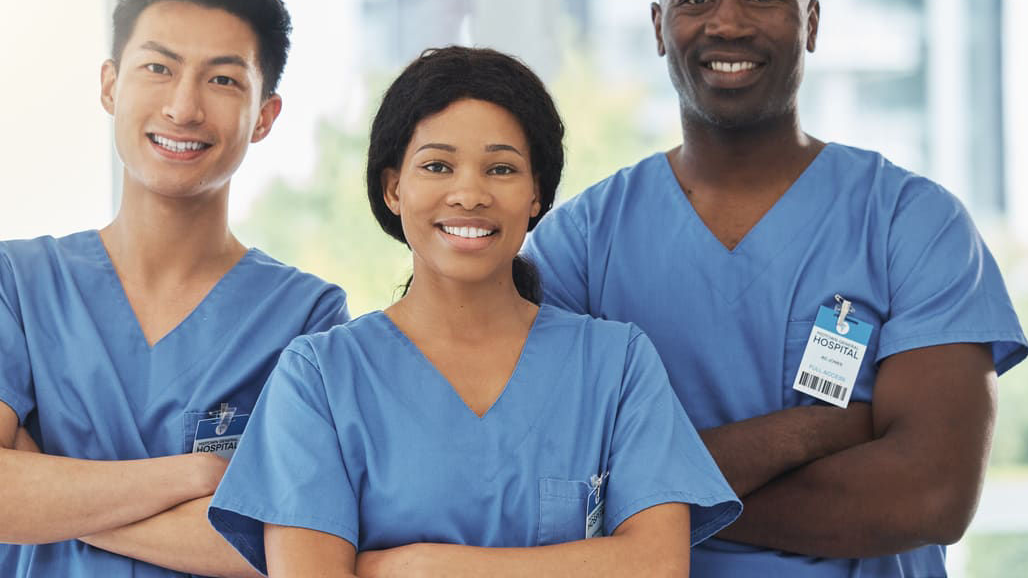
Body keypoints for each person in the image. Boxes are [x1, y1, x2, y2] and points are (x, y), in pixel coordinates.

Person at [523, 0, 1028, 577]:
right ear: (657, 27)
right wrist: (813, 432)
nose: (727, 22)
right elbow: (542, 482)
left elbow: (931, 494)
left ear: (810, 21)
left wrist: (648, 500)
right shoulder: (577, 246)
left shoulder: (911, 222)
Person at [207, 46, 741, 577]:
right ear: (394, 188)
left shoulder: (617, 364)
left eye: (501, 168)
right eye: (437, 165)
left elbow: (657, 566)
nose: (469, 194)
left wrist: (418, 567)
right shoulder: (319, 378)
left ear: (536, 193)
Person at [0, 0, 349, 577]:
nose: (184, 107)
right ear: (111, 85)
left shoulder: (307, 316)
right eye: (158, 68)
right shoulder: (16, 284)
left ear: (265, 116)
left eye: (223, 79)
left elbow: (288, 551)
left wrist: (41, 493)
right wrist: (196, 477)